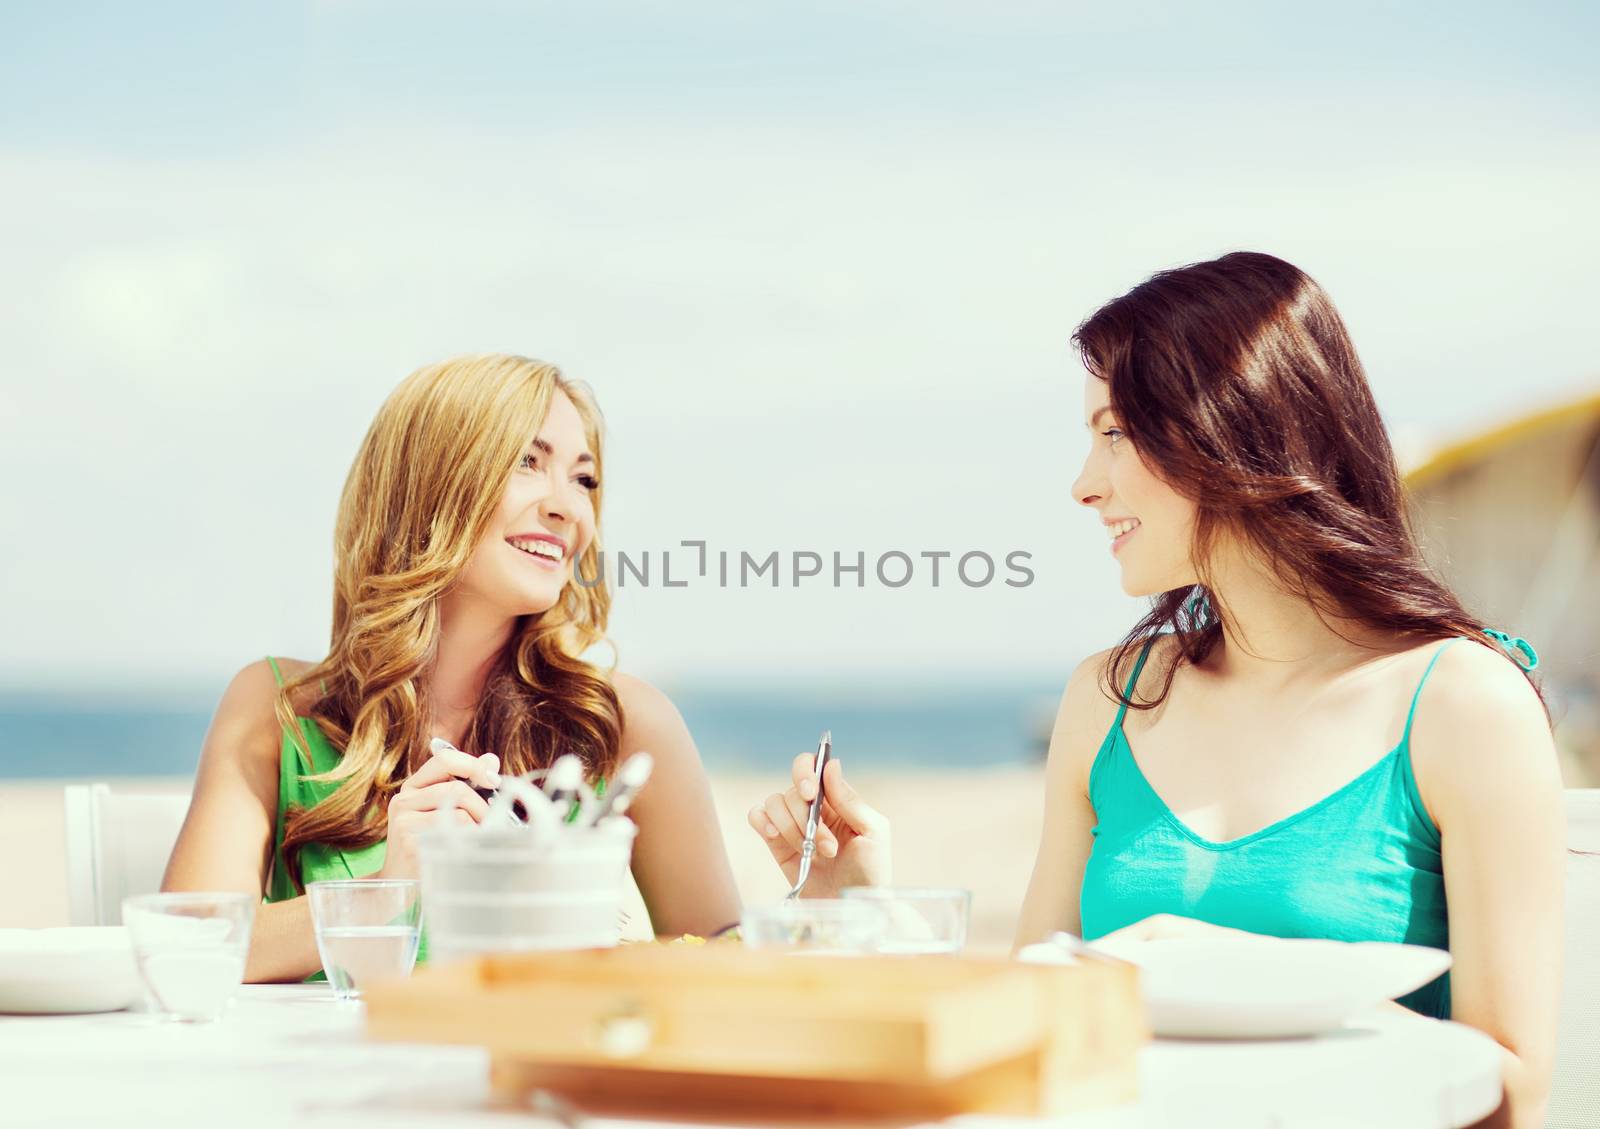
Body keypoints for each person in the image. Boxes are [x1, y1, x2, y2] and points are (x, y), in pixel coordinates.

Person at [749, 253, 1563, 1128]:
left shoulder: (1464, 705)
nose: (1083, 482)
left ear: (1230, 430)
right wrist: (866, 910)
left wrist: (1251, 984)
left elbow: (1515, 1089)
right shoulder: (1106, 699)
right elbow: (1029, 1031)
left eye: (1114, 433)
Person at [164, 354, 741, 981]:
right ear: (431, 483)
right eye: (528, 461)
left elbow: (719, 957)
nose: (568, 508)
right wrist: (388, 890)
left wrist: (818, 896)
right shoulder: (276, 706)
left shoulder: (628, 722)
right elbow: (186, 945)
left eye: (584, 480)